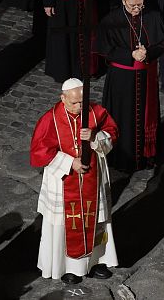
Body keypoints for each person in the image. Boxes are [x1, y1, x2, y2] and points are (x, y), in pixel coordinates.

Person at [30, 78, 119, 284]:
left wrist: (96, 136)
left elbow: (113, 133)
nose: (79, 106)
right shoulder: (50, 119)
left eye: (82, 102)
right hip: (64, 182)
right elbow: (39, 151)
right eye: (74, 103)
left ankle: (97, 261)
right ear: (63, 98)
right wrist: (71, 163)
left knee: (97, 220)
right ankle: (68, 267)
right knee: (64, 224)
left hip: (93, 180)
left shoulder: (95, 112)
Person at [98, 0, 164, 171]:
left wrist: (149, 52)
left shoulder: (152, 16)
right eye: (132, 6)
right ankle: (122, 158)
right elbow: (105, 49)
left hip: (147, 76)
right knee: (122, 117)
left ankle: (147, 156)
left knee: (146, 116)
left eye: (139, 5)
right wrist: (130, 55)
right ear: (123, 1)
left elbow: (163, 42)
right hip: (121, 80)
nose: (136, 9)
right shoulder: (111, 20)